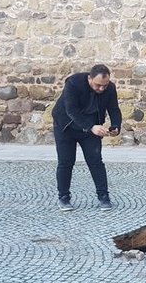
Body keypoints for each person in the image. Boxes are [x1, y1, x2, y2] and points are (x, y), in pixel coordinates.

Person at [51, 64, 122, 211]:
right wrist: (92, 126)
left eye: (105, 85)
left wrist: (116, 126)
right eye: (98, 85)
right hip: (66, 126)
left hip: (91, 128)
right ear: (89, 78)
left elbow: (114, 108)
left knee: (96, 161)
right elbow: (71, 110)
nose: (101, 89)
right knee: (66, 162)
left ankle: (104, 197)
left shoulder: (109, 88)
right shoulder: (73, 83)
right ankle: (63, 198)